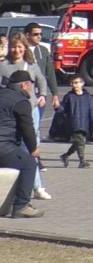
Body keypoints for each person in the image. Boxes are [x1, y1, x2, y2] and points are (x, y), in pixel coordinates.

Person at [0, 33, 50, 199]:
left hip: (31, 108)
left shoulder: (31, 65)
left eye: (20, 46)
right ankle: (21, 190)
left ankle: (37, 186)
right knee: (21, 148)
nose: (17, 50)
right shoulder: (3, 66)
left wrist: (43, 95)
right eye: (14, 46)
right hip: (12, 110)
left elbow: (42, 80)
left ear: (25, 48)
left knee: (30, 146)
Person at [0, 71, 44, 217]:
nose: (32, 88)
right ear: (24, 85)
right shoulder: (20, 101)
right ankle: (21, 205)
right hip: (4, 145)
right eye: (31, 84)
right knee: (29, 164)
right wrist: (33, 148)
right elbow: (27, 127)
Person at [58, 76, 93, 169]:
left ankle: (66, 155)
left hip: (84, 123)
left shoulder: (88, 97)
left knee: (79, 142)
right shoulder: (69, 96)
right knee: (80, 141)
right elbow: (62, 109)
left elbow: (92, 111)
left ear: (82, 83)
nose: (74, 85)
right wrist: (57, 107)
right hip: (73, 123)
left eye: (76, 82)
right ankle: (82, 161)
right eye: (72, 83)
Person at [25, 23, 59, 113]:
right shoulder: (21, 50)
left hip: (40, 93)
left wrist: (55, 94)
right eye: (36, 34)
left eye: (41, 34)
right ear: (27, 35)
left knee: (37, 123)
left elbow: (50, 73)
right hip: (25, 92)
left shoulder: (43, 51)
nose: (39, 37)